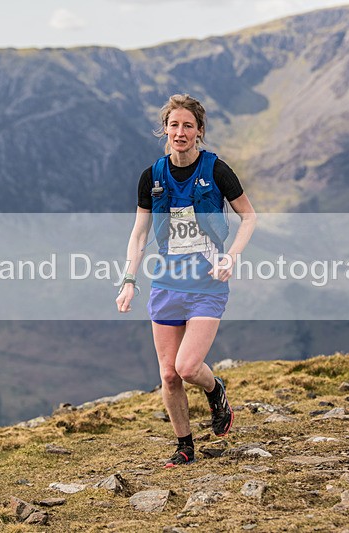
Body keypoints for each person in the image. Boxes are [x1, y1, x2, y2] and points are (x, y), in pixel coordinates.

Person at [116, 94, 256, 468]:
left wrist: (231, 256)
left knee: (188, 367)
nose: (180, 132)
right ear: (165, 129)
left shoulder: (217, 170)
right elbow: (139, 234)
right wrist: (129, 280)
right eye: (174, 125)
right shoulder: (152, 177)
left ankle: (215, 388)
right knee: (168, 374)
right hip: (167, 285)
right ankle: (184, 446)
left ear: (199, 131)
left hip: (207, 286)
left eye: (188, 126)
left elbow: (249, 217)